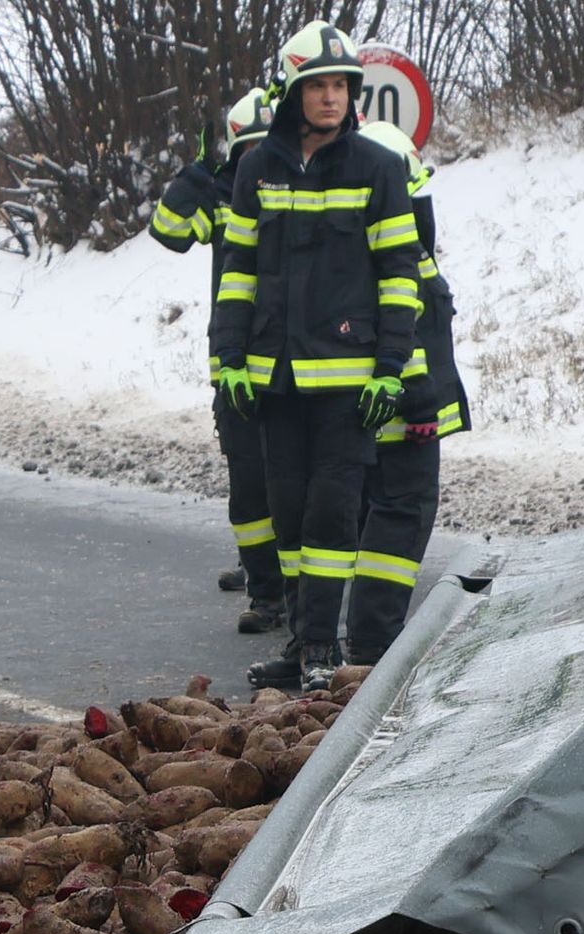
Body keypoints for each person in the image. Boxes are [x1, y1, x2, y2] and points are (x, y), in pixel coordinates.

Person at [211, 24, 421, 691]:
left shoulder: (378, 169)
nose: (331, 98)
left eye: (341, 86)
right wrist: (230, 361)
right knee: (289, 516)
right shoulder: (256, 169)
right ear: (293, 93)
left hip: (349, 382)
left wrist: (391, 367)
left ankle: (325, 650)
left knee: (332, 515)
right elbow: (237, 271)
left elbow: (399, 275)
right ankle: (302, 645)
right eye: (318, 86)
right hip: (274, 379)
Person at [148, 87, 277, 623]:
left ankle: (292, 586)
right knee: (248, 482)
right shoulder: (221, 195)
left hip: (294, 359)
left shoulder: (306, 189)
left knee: (294, 482)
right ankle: (265, 586)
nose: (258, 161)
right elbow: (169, 230)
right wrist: (200, 172)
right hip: (234, 362)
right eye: (246, 151)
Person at [343, 115, 461, 668]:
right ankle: (373, 645)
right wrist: (419, 397)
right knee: (400, 514)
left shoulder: (361, 239)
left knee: (378, 516)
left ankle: (366, 638)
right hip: (401, 410)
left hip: (381, 405)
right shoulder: (393, 247)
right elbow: (403, 322)